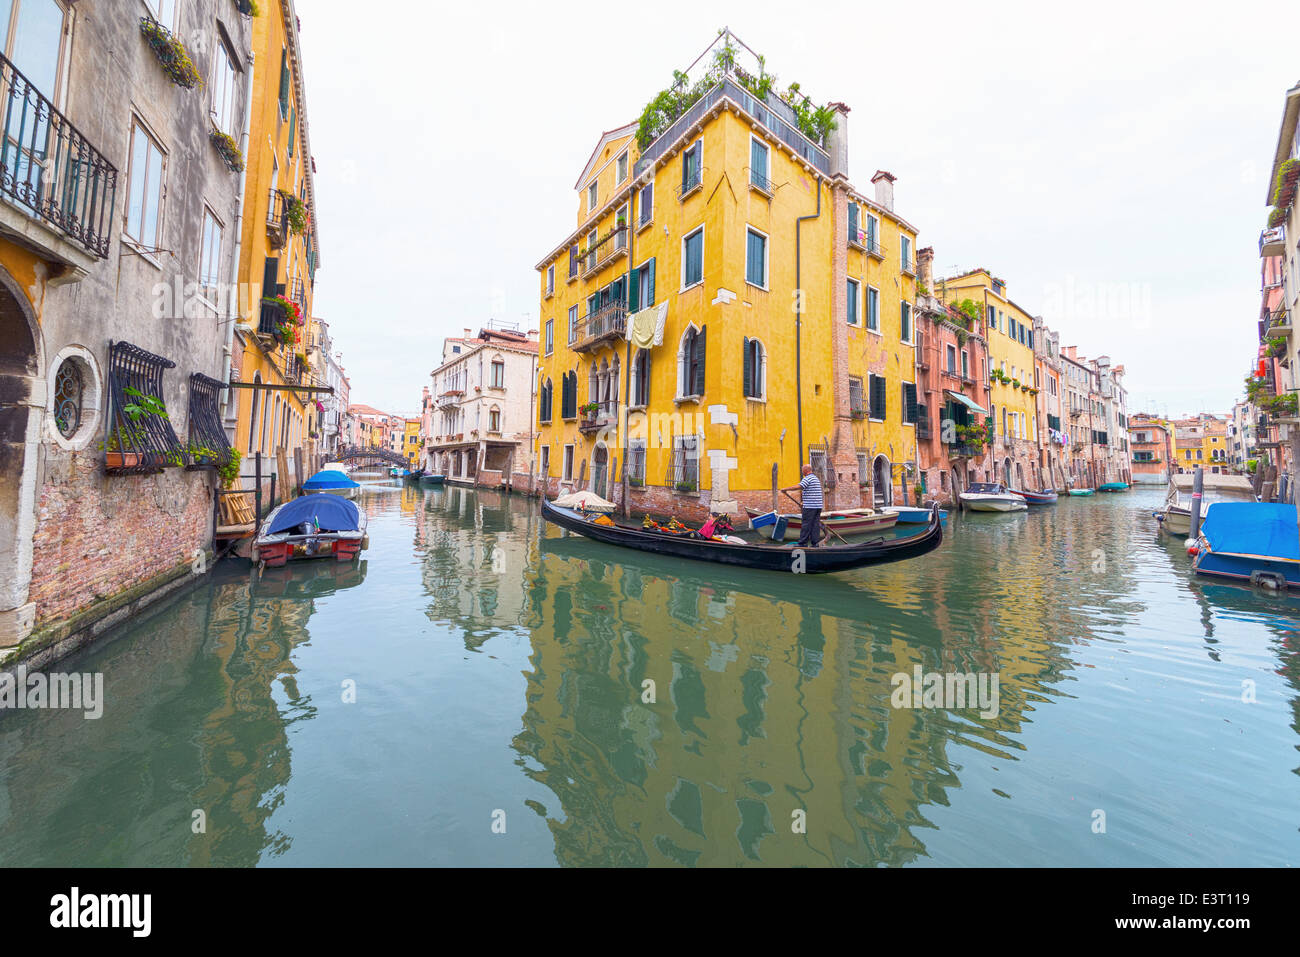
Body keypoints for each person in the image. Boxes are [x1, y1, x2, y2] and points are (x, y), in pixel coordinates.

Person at [781, 465, 825, 547]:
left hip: (810, 507)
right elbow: (811, 492)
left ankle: (802, 543)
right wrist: (803, 501)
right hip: (817, 506)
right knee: (815, 525)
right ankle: (815, 543)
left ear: (806, 470)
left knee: (806, 524)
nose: (802, 472)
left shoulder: (807, 478)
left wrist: (785, 489)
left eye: (802, 470)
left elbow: (799, 486)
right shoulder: (815, 478)